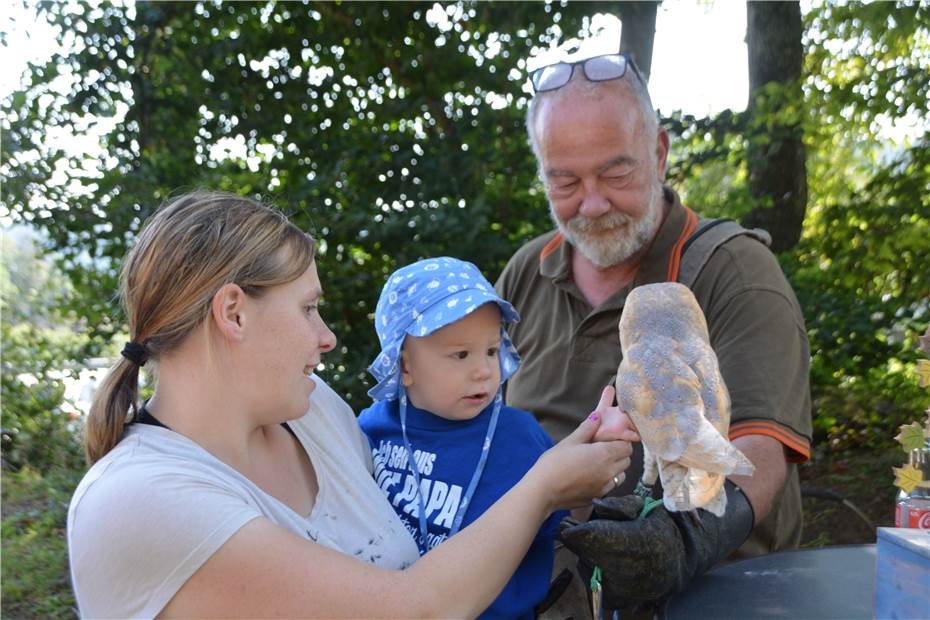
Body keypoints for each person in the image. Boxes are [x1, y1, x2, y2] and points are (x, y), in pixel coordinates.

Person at [67, 191, 636, 618]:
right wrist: (542, 486)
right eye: (309, 308)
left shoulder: (315, 416)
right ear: (234, 313)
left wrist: (579, 475)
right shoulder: (136, 498)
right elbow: (412, 609)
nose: (328, 337)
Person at [496, 51, 813, 610]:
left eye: (616, 173)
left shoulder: (732, 271)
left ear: (660, 152)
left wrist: (686, 540)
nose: (592, 204)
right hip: (543, 595)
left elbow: (762, 450)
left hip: (709, 599)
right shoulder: (527, 270)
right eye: (564, 181)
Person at [357, 256, 640, 619]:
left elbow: (567, 516)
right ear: (404, 365)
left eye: (491, 350)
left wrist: (597, 449)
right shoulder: (370, 430)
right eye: (460, 354)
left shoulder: (519, 436)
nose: (483, 370)